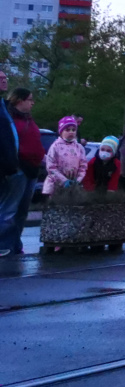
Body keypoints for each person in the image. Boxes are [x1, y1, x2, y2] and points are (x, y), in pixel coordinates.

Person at [4, 87, 44, 255]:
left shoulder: (28, 119)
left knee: (22, 210)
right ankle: (3, 243)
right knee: (9, 209)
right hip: (18, 167)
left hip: (32, 169)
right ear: (19, 101)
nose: (32, 102)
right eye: (30, 99)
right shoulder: (9, 119)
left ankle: (14, 243)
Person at [0, 69, 25, 257]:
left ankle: (8, 244)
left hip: (9, 165)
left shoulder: (4, 105)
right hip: (4, 165)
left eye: (4, 78)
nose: (4, 80)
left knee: (8, 209)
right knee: (6, 209)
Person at [43, 116, 87, 197]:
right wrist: (64, 180)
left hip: (74, 184)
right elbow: (51, 167)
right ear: (61, 131)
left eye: (73, 130)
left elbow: (83, 166)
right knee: (55, 206)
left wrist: (78, 180)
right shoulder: (55, 146)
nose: (71, 132)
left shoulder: (79, 148)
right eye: (67, 130)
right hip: (56, 184)